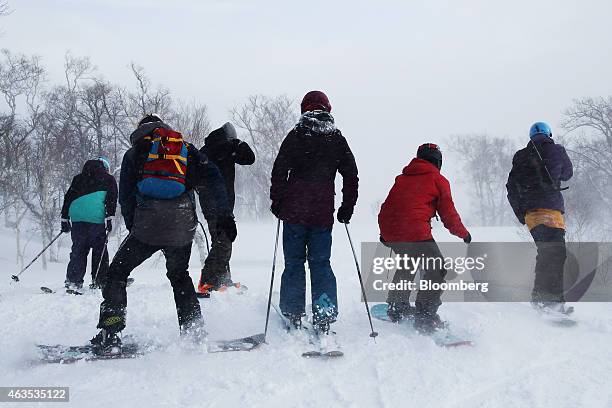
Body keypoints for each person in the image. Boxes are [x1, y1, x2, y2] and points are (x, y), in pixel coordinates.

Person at [90, 114, 235, 352]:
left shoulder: (135, 152)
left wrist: (134, 226)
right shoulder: (184, 148)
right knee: (179, 275)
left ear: (141, 129)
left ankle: (111, 331)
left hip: (146, 226)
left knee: (117, 272)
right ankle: (193, 332)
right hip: (182, 226)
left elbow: (125, 196)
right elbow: (214, 176)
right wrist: (225, 215)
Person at [270, 90, 359, 334]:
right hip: (321, 214)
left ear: (304, 109)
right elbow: (351, 174)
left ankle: (292, 311)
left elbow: (279, 170)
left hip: (294, 212)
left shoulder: (296, 135)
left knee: (294, 263)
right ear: (327, 108)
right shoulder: (336, 138)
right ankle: (325, 314)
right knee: (321, 263)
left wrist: (277, 201)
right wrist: (347, 206)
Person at [378, 143, 471, 333]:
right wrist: (464, 233)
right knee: (436, 268)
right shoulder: (438, 180)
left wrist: (385, 234)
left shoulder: (402, 178)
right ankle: (425, 316)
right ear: (438, 161)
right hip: (414, 231)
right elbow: (448, 214)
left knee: (408, 262)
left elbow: (388, 206)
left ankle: (397, 306)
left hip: (392, 230)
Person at [506, 121, 573, 311]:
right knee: (556, 254)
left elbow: (511, 187)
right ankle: (552, 303)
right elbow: (568, 174)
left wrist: (521, 214)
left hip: (531, 215)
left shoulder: (520, 156)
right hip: (551, 211)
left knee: (545, 253)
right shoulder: (556, 150)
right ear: (548, 134)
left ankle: (540, 299)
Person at [197, 122, 255, 296]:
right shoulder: (225, 147)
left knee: (222, 240)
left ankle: (223, 280)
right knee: (223, 243)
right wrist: (238, 144)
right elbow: (249, 158)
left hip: (211, 204)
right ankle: (207, 281)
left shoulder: (206, 149)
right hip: (219, 205)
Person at [61, 157, 117, 291]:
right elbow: (111, 199)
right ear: (105, 168)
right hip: (95, 220)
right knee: (100, 250)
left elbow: (68, 197)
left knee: (78, 250)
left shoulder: (78, 178)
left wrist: (64, 218)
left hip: (77, 219)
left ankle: (73, 281)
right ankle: (100, 280)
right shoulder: (108, 179)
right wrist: (110, 218)